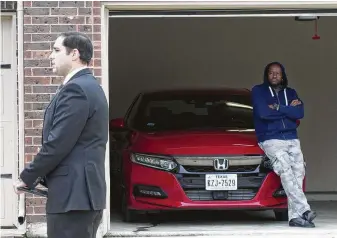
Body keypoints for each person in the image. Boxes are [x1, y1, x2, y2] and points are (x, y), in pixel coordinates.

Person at [14, 32, 109, 238]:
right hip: (82, 196)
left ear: (74, 54)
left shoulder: (76, 89)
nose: (50, 56)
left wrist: (27, 176)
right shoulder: (91, 87)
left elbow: (57, 144)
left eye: (56, 50)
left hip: (73, 198)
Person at [251, 61, 316, 228]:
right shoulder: (258, 91)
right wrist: (288, 111)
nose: (274, 75)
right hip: (270, 138)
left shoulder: (291, 92)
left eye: (278, 73)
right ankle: (304, 209)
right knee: (285, 171)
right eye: (271, 73)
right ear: (266, 75)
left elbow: (299, 112)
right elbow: (264, 113)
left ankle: (295, 217)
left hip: (292, 138)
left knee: (298, 174)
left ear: (283, 75)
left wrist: (279, 107)